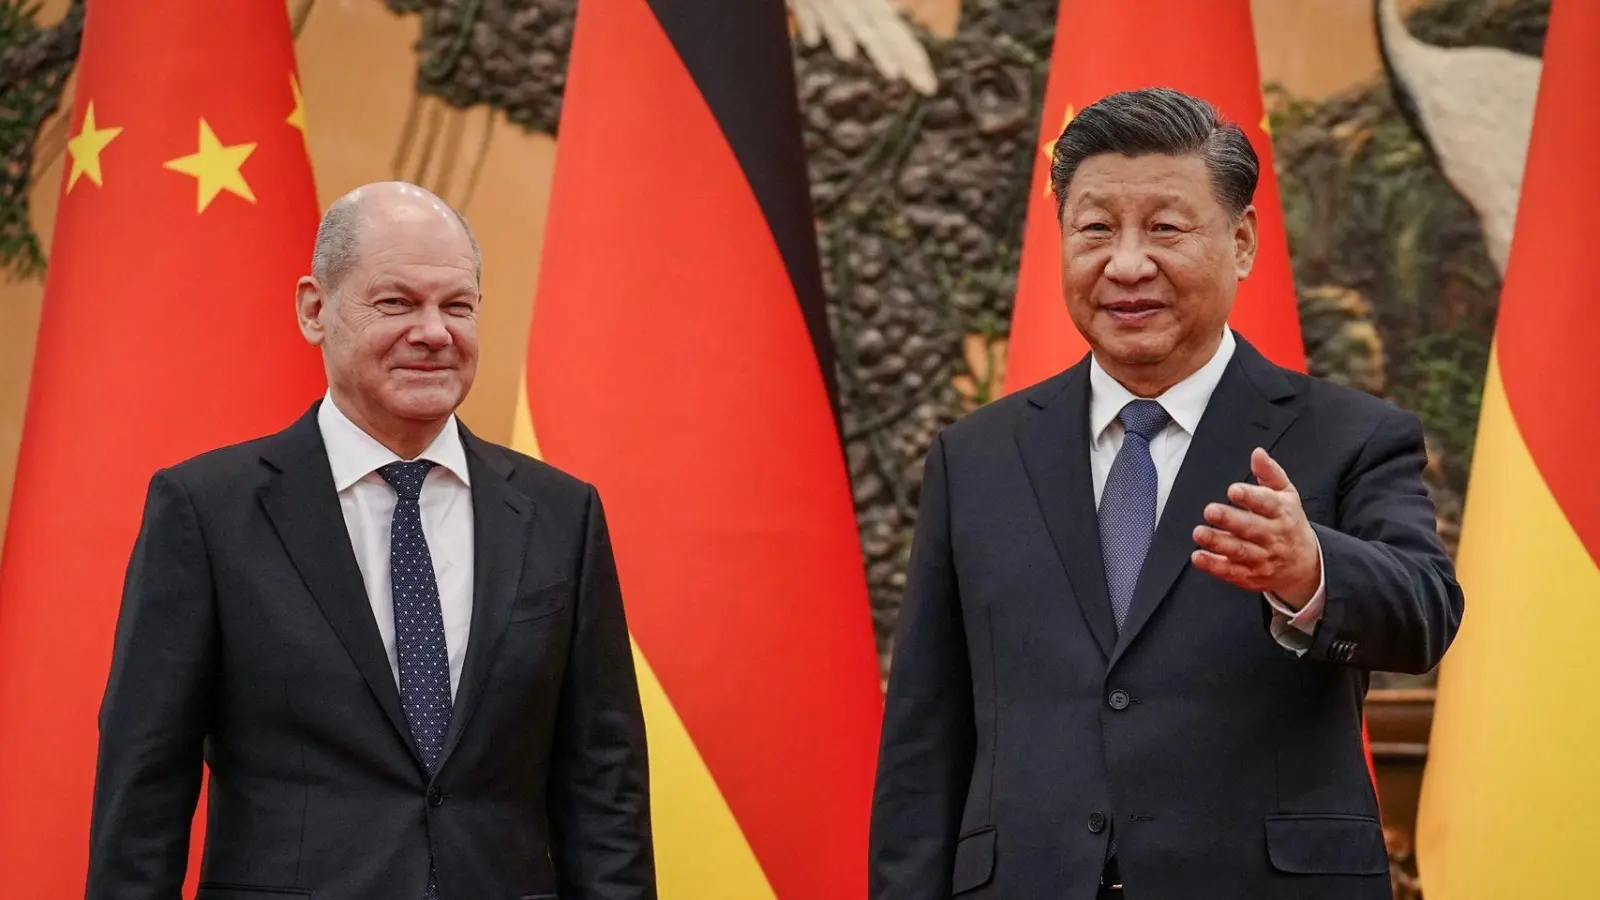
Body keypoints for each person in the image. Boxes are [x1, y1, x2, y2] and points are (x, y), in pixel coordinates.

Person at [868, 88, 1463, 899]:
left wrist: (1309, 569)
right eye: (1096, 229)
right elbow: (925, 732)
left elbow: (1426, 613)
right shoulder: (977, 456)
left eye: (1166, 228)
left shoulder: (1347, 436)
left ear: (1242, 240)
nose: (1126, 263)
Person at [86, 182, 656, 899]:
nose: (433, 332)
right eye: (397, 303)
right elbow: (145, 783)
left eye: (457, 306)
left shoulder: (560, 514)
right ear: (314, 310)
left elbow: (604, 783)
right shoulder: (207, 511)